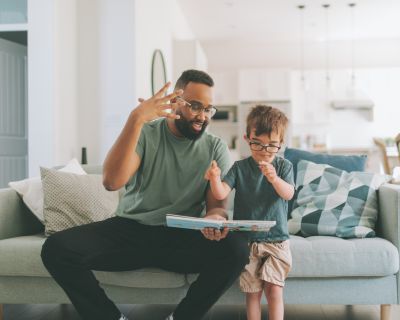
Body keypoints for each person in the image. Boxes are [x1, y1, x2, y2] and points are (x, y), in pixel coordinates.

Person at [41, 69, 250, 320]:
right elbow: (111, 182)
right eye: (195, 106)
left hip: (182, 238)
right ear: (176, 102)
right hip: (131, 231)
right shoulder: (146, 133)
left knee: (237, 249)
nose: (202, 116)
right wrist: (136, 118)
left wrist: (216, 219)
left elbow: (217, 206)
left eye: (208, 109)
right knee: (56, 248)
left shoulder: (215, 147)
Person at [204, 105, 295, 320]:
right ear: (247, 139)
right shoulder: (239, 167)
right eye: (258, 143)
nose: (264, 150)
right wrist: (215, 178)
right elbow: (221, 193)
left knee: (274, 290)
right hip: (247, 241)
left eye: (272, 146)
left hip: (277, 241)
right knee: (252, 293)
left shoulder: (284, 166)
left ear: (281, 144)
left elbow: (289, 194)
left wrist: (274, 179)